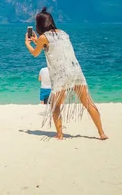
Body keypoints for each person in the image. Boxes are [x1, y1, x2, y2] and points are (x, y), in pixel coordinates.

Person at [25, 7, 108, 140]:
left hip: (61, 74)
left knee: (55, 104)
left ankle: (60, 135)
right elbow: (54, 46)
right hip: (75, 70)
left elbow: (35, 53)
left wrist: (27, 43)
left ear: (40, 25)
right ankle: (101, 133)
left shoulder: (43, 37)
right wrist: (38, 41)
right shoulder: (63, 33)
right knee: (88, 102)